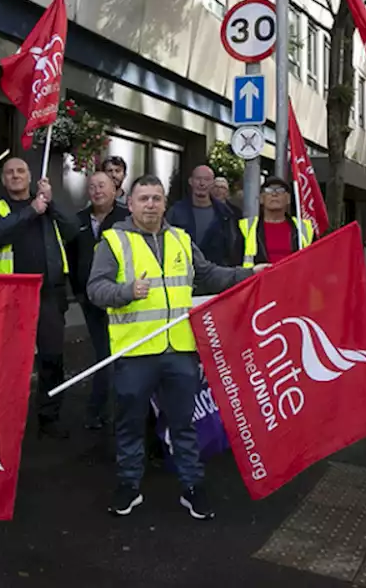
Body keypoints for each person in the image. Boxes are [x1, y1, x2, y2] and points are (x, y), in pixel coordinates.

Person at [88, 175, 266, 520]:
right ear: (132, 203)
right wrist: (126, 292)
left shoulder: (181, 240)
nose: (151, 204)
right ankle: (128, 486)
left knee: (184, 424)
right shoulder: (113, 241)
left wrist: (250, 273)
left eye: (157, 198)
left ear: (165, 203)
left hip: (180, 350)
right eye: (144, 198)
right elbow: (96, 290)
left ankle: (193, 487)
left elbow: (211, 275)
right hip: (135, 352)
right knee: (129, 424)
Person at [0, 157, 78, 438]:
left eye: (21, 171)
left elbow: (73, 230)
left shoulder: (47, 207)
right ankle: (8, 421)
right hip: (9, 297)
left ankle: (49, 418)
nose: (15, 176)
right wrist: (31, 211)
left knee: (51, 359)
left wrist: (50, 202)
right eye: (9, 172)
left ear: (30, 176)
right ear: (3, 180)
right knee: (11, 363)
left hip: (49, 294)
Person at [70, 171, 129, 430]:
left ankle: (111, 410)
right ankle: (100, 410)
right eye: (92, 186)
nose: (97, 191)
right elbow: (71, 259)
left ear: (115, 190)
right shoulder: (78, 221)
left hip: (121, 298)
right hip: (90, 300)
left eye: (102, 186)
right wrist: (79, 292)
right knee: (103, 353)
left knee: (118, 355)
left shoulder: (126, 219)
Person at [233, 176, 316, 267]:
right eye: (269, 190)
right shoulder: (245, 227)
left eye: (280, 190)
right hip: (260, 280)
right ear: (261, 198)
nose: (274, 194)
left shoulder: (304, 227)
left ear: (288, 199)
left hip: (294, 279)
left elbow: (314, 261)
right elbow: (235, 262)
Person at [167, 165, 238, 268]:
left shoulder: (225, 214)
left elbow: (232, 248)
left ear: (213, 183)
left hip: (216, 275)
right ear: (191, 181)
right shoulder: (176, 211)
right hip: (182, 271)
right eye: (198, 179)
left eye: (207, 179)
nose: (202, 183)